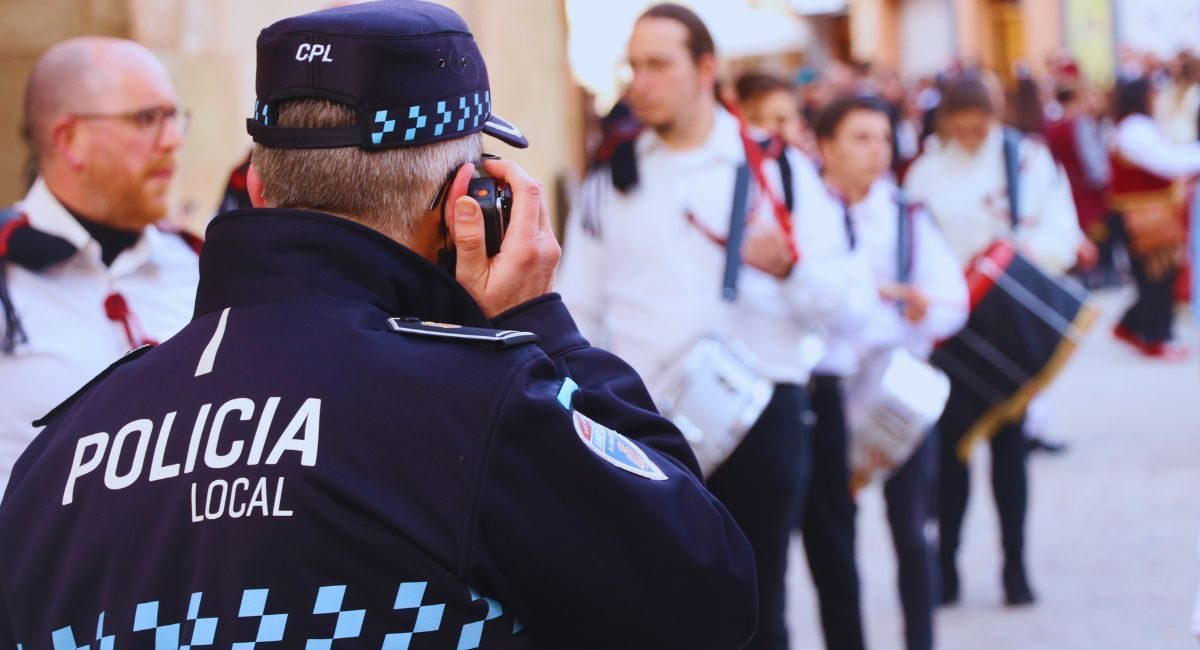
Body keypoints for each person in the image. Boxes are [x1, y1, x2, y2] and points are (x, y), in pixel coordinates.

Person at [0, 3, 759, 648]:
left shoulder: (57, 455)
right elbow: (709, 591)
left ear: (259, 187)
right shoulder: (480, 410)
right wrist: (541, 327)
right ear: (468, 203)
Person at [558, 5, 872, 649]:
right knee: (659, 616)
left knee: (757, 612)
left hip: (761, 415)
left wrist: (789, 269)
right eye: (634, 66)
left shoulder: (777, 170)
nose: (641, 82)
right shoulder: (610, 179)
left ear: (706, 69)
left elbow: (847, 304)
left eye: (659, 64)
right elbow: (576, 311)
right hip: (644, 426)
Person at [905, 75, 1083, 607]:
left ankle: (1015, 568)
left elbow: (1061, 229)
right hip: (951, 328)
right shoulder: (925, 172)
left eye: (978, 128)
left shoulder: (1026, 158)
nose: (969, 138)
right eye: (959, 129)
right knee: (950, 456)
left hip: (1008, 321)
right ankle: (947, 567)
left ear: (995, 116)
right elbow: (913, 243)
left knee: (1010, 451)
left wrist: (1013, 259)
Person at [0, 37, 199, 497]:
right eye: (146, 119)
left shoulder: (197, 265)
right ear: (71, 139)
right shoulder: (8, 276)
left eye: (174, 117)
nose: (174, 140)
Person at [812, 96, 968, 650]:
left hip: (897, 391)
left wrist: (926, 309)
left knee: (913, 533)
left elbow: (953, 299)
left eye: (884, 138)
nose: (878, 151)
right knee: (834, 540)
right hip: (826, 396)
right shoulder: (807, 215)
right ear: (826, 147)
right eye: (861, 138)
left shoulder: (907, 215)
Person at [1110, 77, 1200, 360]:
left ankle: (1134, 326)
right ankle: (1154, 335)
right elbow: (1167, 162)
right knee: (1156, 276)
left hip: (1149, 217)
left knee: (1157, 276)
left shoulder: (1136, 127)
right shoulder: (1135, 128)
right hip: (1143, 219)